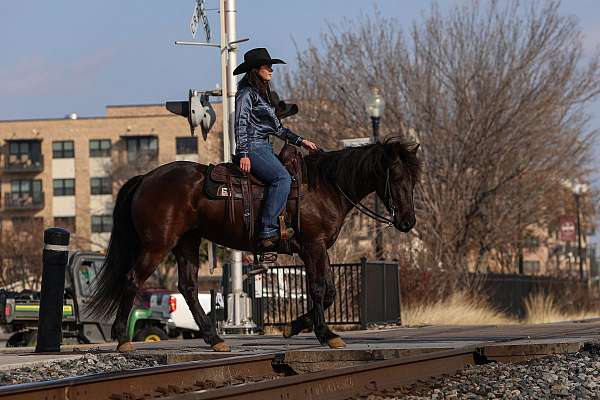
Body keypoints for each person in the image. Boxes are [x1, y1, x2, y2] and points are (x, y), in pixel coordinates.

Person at [233, 48, 318, 252]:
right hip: (253, 146)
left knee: (292, 176)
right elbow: (240, 123)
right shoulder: (246, 94)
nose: (271, 70)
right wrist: (243, 153)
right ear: (256, 70)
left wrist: (301, 141)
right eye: (267, 66)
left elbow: (277, 129)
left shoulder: (262, 95)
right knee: (282, 178)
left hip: (264, 146)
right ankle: (268, 230)